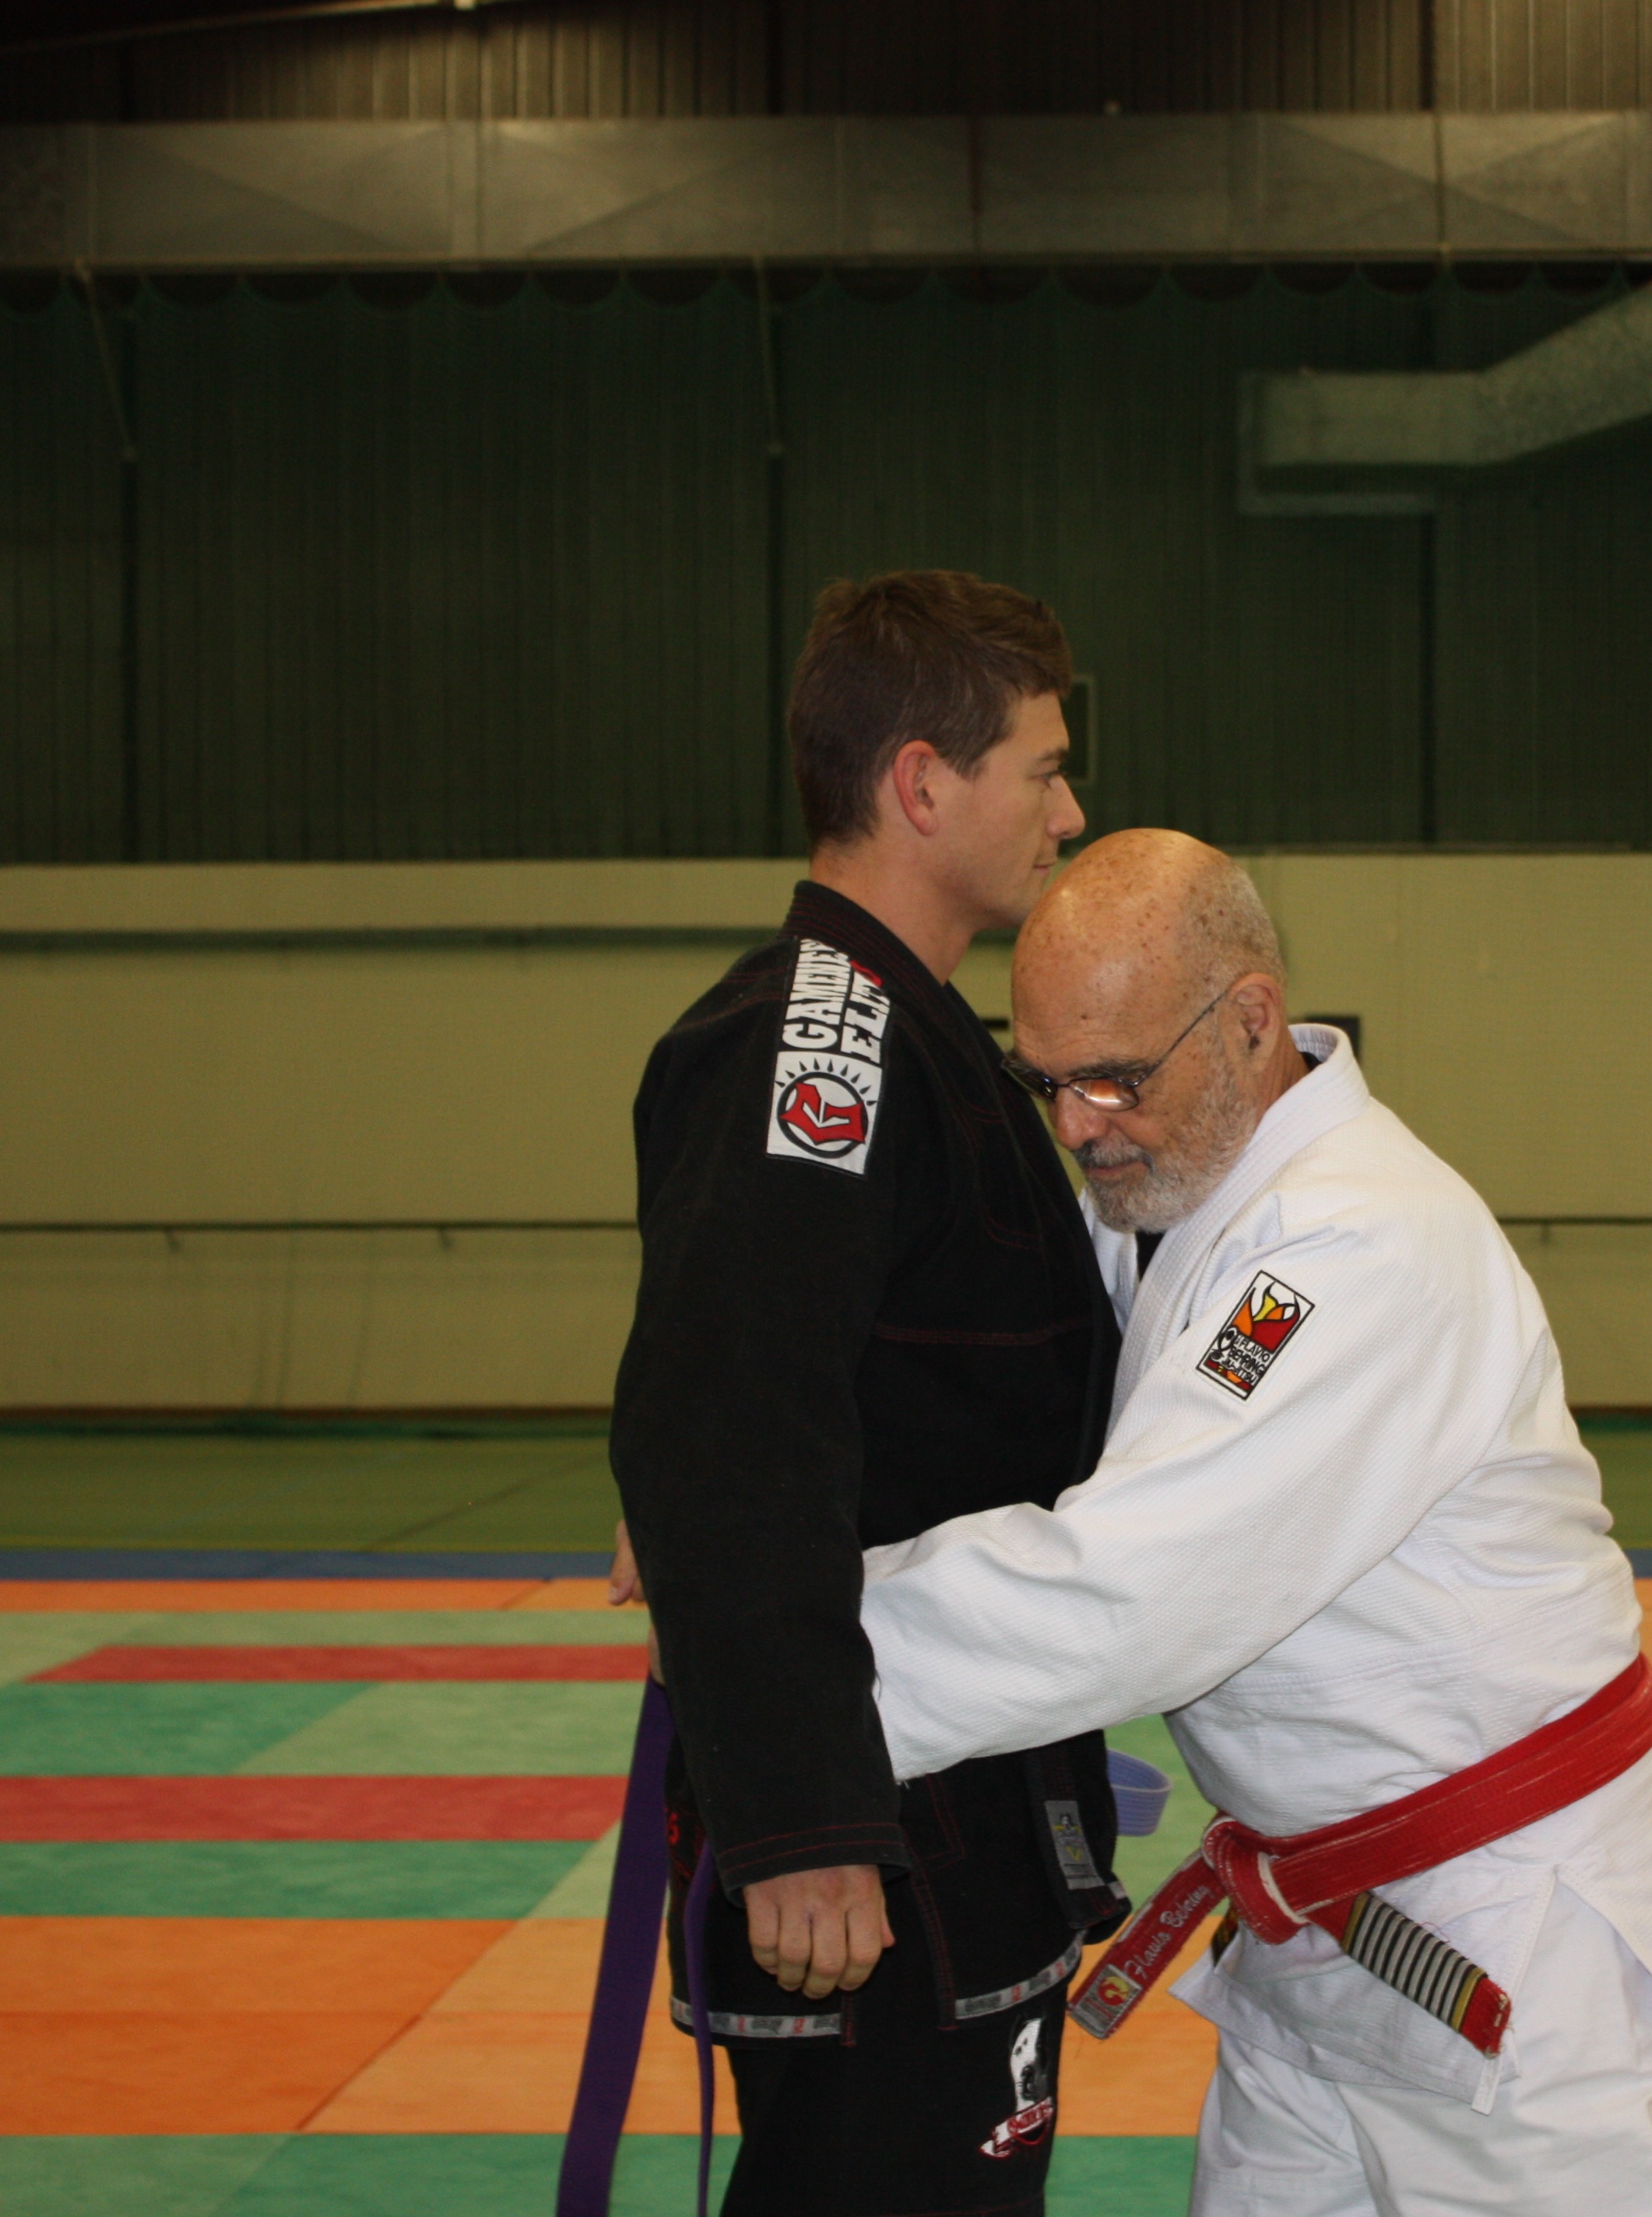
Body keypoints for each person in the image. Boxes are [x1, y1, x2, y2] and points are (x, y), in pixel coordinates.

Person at [856, 831, 1652, 2217]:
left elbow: (1136, 1589)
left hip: (1523, 1957)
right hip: (1316, 1943)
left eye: (1116, 1078)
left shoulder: (1357, 1239)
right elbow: (971, 1391)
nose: (1078, 1124)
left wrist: (788, 1648)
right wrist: (742, 1492)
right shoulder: (1164, 1207)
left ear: (1252, 1020)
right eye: (1048, 1083)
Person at [606, 571, 1128, 2216]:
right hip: (877, 1840)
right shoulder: (816, 1048)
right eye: (1044, 770)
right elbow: (733, 1423)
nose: (1070, 813)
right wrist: (799, 1815)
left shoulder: (924, 1036)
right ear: (921, 784)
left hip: (961, 1793)